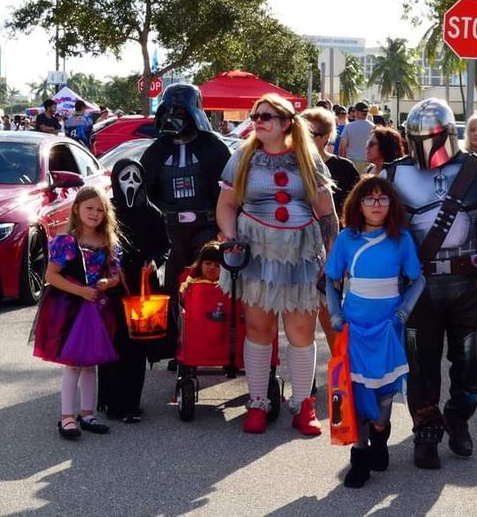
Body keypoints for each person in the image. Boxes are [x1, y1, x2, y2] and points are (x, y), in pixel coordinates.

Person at [381, 98, 477, 469]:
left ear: (447, 135)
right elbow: (368, 225)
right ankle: (426, 428)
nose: (424, 144)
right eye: (416, 137)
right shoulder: (392, 174)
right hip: (416, 286)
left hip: (467, 280)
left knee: (474, 357)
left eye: (431, 136)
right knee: (419, 361)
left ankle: (458, 417)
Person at [216, 93, 338, 435]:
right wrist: (230, 237)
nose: (259, 120)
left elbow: (327, 214)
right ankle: (257, 403)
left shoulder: (307, 158)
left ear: (287, 123)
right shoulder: (242, 157)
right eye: (256, 115)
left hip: (301, 253)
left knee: (300, 331)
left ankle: (303, 405)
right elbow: (226, 204)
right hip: (254, 251)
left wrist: (334, 258)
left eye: (267, 115)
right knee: (258, 329)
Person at [324, 176, 425, 488]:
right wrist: (335, 312)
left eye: (383, 199)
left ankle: (381, 434)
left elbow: (418, 279)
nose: (377, 205)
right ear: (358, 204)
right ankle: (360, 458)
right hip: (354, 328)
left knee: (383, 399)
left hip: (387, 329)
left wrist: (402, 312)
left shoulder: (402, 239)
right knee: (356, 396)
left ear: (391, 204)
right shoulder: (345, 239)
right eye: (370, 199)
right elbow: (330, 280)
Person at [139, 83, 230, 364]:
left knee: (210, 288)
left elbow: (228, 192)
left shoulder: (213, 148)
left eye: (178, 111)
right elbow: (144, 193)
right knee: (174, 289)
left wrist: (223, 230)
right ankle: (179, 347)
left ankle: (214, 343)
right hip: (170, 231)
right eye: (167, 111)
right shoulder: (156, 150)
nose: (171, 117)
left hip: (207, 229)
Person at [31, 186, 123, 440]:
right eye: (89, 208)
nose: (94, 213)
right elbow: (51, 276)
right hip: (70, 308)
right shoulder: (66, 241)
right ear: (76, 209)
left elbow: (116, 275)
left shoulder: (108, 242)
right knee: (73, 364)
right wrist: (80, 291)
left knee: (90, 364)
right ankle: (67, 417)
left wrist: (108, 283)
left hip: (96, 309)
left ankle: (87, 413)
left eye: (100, 210)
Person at [97, 158, 170, 424]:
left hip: (141, 288)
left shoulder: (152, 213)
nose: (130, 183)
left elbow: (164, 245)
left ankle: (131, 403)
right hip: (112, 287)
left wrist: (154, 260)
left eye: (135, 177)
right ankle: (108, 399)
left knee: (136, 347)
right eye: (124, 177)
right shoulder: (108, 210)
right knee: (111, 341)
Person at [301, 106, 360, 349]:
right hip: (300, 248)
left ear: (325, 137)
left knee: (330, 314)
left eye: (310, 134)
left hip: (333, 249)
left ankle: (340, 373)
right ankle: (308, 380)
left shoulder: (343, 167)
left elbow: (357, 207)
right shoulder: (293, 165)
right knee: (302, 318)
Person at [339, 101, 375, 170]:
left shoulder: (348, 127)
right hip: (368, 163)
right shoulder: (373, 127)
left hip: (351, 162)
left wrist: (343, 163)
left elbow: (342, 147)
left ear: (357, 112)